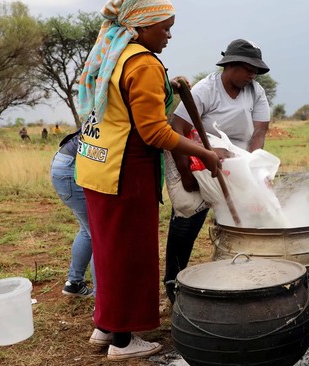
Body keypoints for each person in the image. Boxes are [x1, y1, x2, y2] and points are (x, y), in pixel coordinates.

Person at [74, 0, 220, 361]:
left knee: (109, 251)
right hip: (127, 169)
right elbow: (155, 132)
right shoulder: (143, 62)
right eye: (165, 28)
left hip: (96, 164)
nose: (169, 35)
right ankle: (123, 341)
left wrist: (167, 85)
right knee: (128, 255)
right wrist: (204, 153)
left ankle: (106, 326)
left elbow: (126, 98)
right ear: (140, 28)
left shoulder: (114, 53)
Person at [163, 38, 271, 303]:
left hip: (232, 158)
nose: (252, 74)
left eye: (256, 70)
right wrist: (186, 172)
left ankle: (238, 279)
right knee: (190, 211)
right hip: (190, 152)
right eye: (248, 68)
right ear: (230, 65)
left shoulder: (255, 92)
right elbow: (176, 128)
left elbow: (259, 132)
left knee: (242, 213)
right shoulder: (205, 89)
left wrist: (256, 168)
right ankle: (173, 284)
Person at [50, 130, 95, 298]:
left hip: (64, 164)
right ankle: (101, 298)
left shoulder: (100, 111)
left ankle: (74, 283)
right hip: (71, 169)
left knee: (88, 230)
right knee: (98, 236)